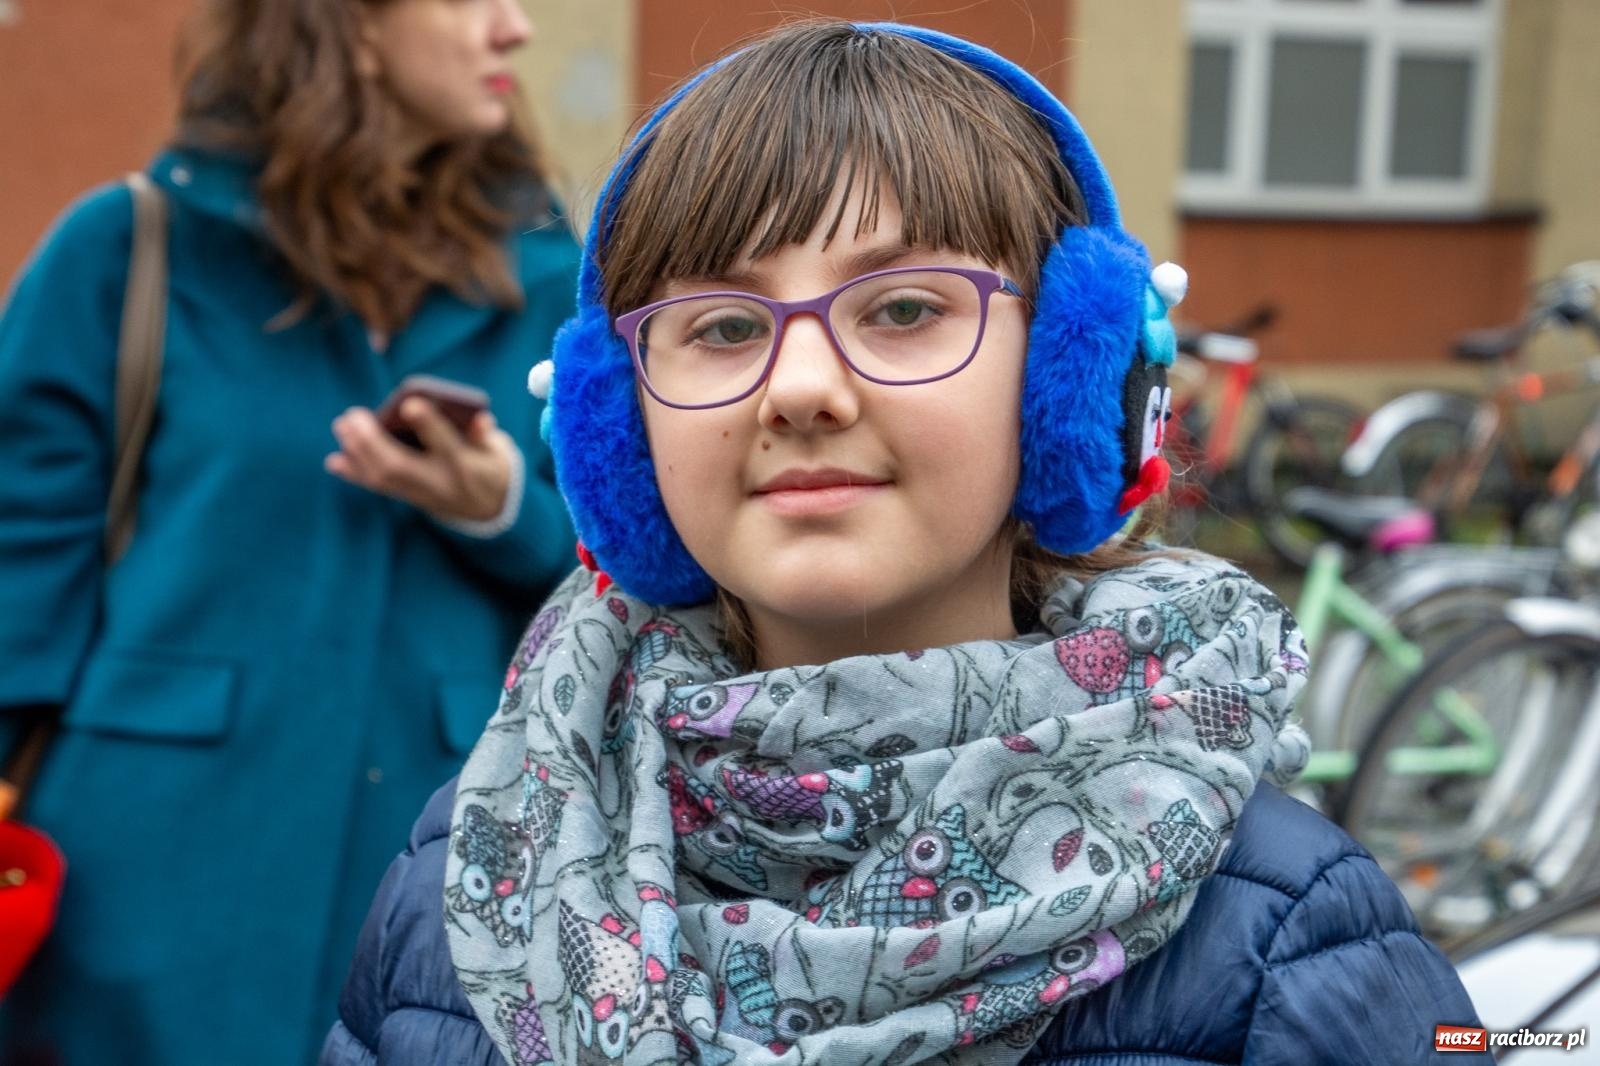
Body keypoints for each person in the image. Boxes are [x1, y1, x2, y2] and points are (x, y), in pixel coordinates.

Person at [322, 21, 1489, 1066]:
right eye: (723, 325)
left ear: (1069, 381)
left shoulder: (1287, 932)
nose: (801, 388)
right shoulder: (475, 879)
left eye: (903, 307)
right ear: (612, 431)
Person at [0, 1, 577, 1062]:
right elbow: (16, 570)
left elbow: (612, 582)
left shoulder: (549, 271)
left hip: (448, 876)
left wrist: (498, 511)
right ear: (351, 23)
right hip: (140, 875)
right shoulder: (128, 248)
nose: (516, 28)